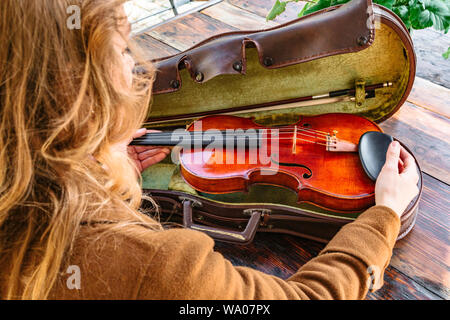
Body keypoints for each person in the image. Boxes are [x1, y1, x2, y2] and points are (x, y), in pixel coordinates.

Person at [0, 0, 419, 300]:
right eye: (123, 49)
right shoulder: (155, 266)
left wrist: (101, 172)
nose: (137, 67)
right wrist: (382, 218)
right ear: (77, 95)